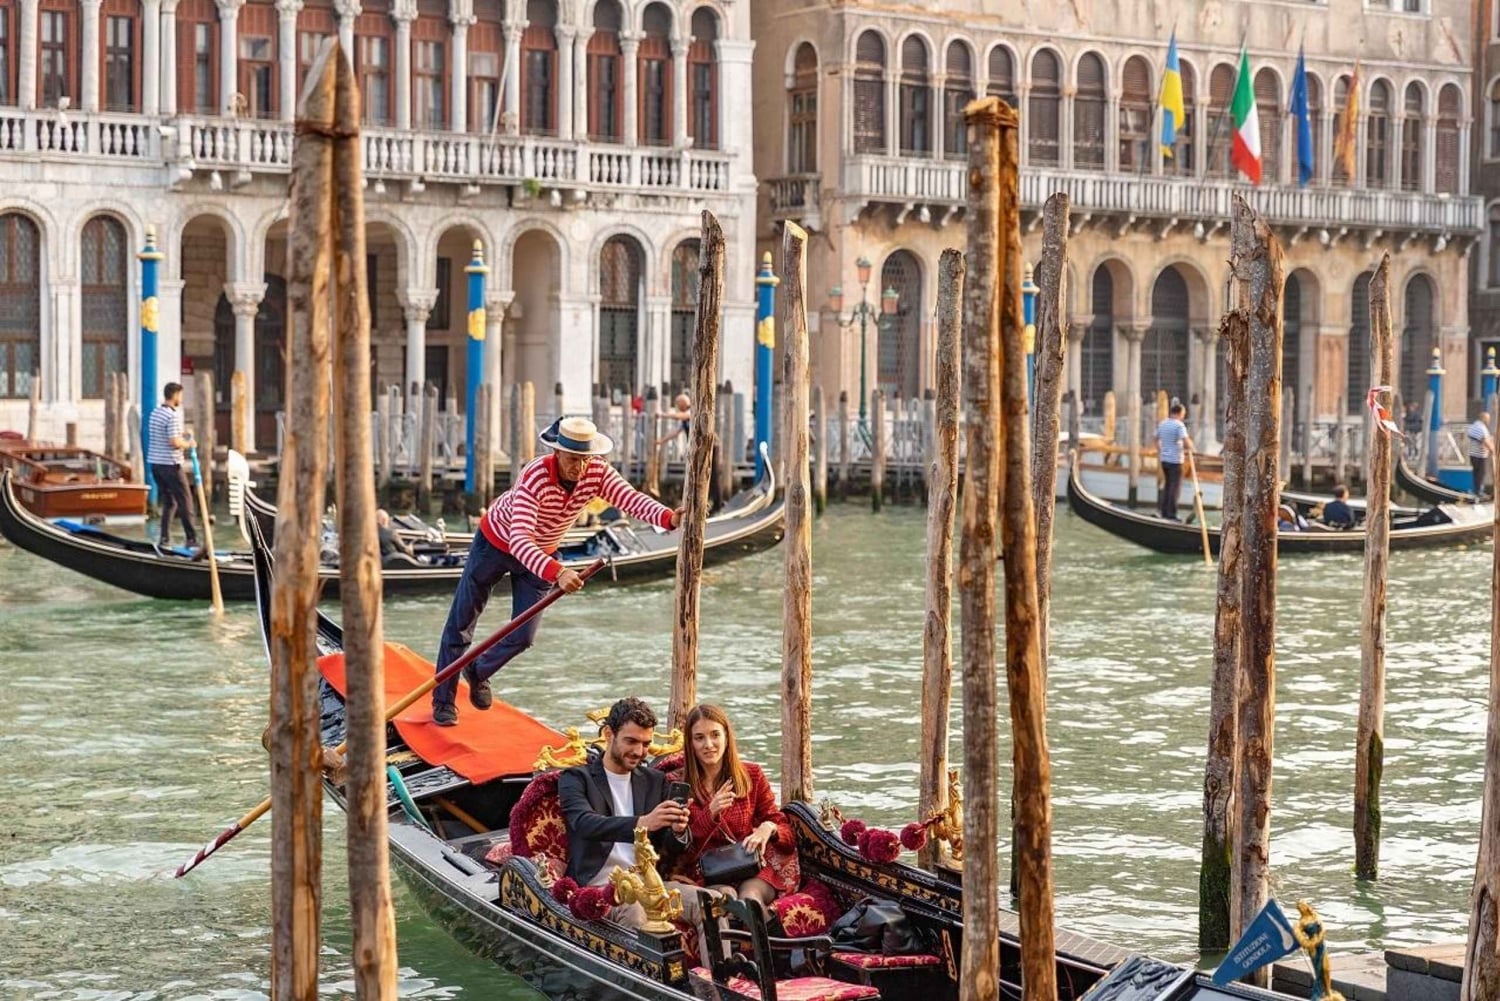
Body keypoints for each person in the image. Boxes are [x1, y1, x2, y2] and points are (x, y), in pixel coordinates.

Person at [430, 416, 683, 726]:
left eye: (585, 460)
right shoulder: (534, 476)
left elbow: (630, 500)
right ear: (558, 453)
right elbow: (519, 540)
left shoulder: (597, 472)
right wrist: (558, 572)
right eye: (573, 460)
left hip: (544, 551)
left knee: (523, 635)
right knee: (461, 623)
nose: (579, 468)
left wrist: (668, 518)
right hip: (495, 543)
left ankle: (478, 670)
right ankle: (443, 702)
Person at [557, 697, 694, 928]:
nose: (639, 751)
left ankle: (726, 965)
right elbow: (584, 823)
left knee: (713, 903)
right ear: (609, 734)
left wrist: (678, 830)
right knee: (634, 911)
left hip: (650, 883)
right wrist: (643, 822)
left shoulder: (655, 781)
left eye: (646, 743)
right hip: (601, 886)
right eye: (631, 741)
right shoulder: (576, 778)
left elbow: (669, 845)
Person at [667, 704, 799, 912]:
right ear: (690, 743)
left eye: (715, 735)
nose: (708, 744)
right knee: (726, 898)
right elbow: (682, 850)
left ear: (726, 737)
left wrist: (769, 828)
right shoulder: (677, 785)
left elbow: (788, 837)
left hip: (750, 869)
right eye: (699, 737)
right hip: (707, 874)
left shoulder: (752, 774)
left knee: (750, 898)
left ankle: (776, 944)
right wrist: (710, 814)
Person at [147, 382, 199, 551]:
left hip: (156, 465)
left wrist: (181, 433)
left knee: (170, 503)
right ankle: (191, 539)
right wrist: (189, 444)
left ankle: (164, 538)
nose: (181, 399)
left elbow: (164, 433)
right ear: (175, 395)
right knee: (186, 501)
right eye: (181, 395)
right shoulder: (172, 416)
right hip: (171, 465)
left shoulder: (156, 412)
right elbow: (174, 442)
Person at [1153, 403, 1194, 521]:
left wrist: (1161, 449)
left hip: (1164, 459)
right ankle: (1171, 513)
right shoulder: (1179, 425)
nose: (1183, 416)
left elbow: (1155, 438)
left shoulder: (1163, 423)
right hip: (1175, 460)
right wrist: (1191, 447)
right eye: (1183, 414)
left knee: (1168, 485)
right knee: (1174, 487)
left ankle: (1164, 512)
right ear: (1180, 413)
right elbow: (1186, 442)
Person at [1467, 412, 1494, 498]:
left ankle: (1477, 491)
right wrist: (1493, 451)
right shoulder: (1481, 428)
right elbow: (1484, 440)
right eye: (1488, 419)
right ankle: (1478, 492)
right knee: (1481, 474)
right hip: (1479, 455)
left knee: (1477, 473)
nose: (1489, 420)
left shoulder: (1474, 426)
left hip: (1474, 454)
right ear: (1484, 418)